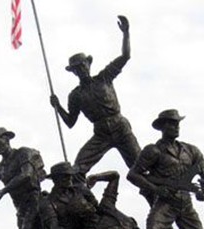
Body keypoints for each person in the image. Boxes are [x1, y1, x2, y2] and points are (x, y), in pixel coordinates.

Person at [127, 110, 204, 229]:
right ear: (162, 127)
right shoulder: (153, 151)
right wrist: (156, 189)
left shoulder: (191, 150)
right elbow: (133, 175)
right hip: (166, 202)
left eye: (177, 123)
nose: (176, 127)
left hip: (185, 203)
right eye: (172, 123)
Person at [50, 16, 141, 176]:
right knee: (78, 167)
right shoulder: (75, 95)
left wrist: (126, 33)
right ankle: (79, 191)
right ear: (73, 72)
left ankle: (157, 191)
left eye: (82, 65)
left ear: (88, 64)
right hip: (101, 133)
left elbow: (125, 56)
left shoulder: (104, 77)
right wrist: (58, 107)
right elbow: (70, 122)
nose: (81, 69)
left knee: (140, 166)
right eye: (77, 68)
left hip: (120, 127)